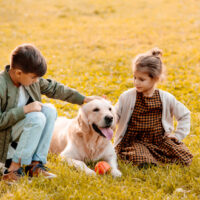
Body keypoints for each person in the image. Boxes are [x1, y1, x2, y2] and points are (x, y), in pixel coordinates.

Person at [0, 44, 96, 182]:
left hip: (21, 132)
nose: (37, 81)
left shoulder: (31, 81)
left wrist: (84, 99)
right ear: (19, 73)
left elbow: (55, 88)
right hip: (4, 138)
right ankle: (12, 171)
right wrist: (25, 110)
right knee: (36, 117)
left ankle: (35, 165)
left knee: (49, 110)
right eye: (33, 77)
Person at [114, 48, 193, 168]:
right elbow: (115, 115)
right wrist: (106, 110)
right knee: (141, 159)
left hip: (159, 140)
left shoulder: (166, 98)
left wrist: (178, 135)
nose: (136, 82)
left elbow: (184, 114)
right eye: (135, 77)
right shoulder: (127, 97)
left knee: (184, 157)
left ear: (155, 79)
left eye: (142, 79)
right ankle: (147, 160)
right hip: (134, 141)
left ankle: (154, 157)